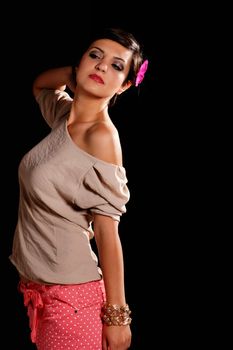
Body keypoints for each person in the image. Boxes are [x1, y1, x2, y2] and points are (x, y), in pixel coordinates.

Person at [9, 27, 148, 350]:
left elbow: (107, 234)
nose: (101, 66)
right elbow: (41, 84)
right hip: (42, 292)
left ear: (125, 85)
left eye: (116, 65)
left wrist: (117, 318)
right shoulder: (65, 118)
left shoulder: (100, 137)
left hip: (71, 298)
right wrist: (74, 76)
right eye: (95, 56)